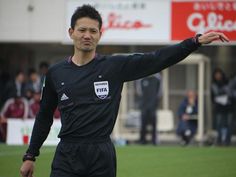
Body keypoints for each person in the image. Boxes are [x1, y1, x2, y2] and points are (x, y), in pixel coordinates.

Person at [20, 4, 229, 177]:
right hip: (67, 154)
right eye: (82, 30)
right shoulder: (56, 72)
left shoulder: (113, 67)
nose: (87, 35)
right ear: (71, 32)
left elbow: (157, 59)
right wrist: (30, 156)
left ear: (100, 35)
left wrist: (194, 42)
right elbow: (45, 116)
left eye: (93, 31)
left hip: (101, 155)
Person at [137, 73, 161, 145]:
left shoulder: (157, 78)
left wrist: (155, 101)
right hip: (144, 105)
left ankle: (154, 140)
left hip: (153, 105)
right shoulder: (141, 78)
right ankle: (142, 140)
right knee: (143, 123)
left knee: (154, 124)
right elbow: (139, 92)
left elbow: (159, 92)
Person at [211, 68, 233, 146]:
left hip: (228, 107)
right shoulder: (213, 85)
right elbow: (212, 97)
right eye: (216, 74)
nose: (218, 76)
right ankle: (219, 141)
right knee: (219, 125)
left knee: (229, 124)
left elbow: (231, 95)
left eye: (219, 74)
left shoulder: (228, 83)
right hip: (219, 108)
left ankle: (227, 141)